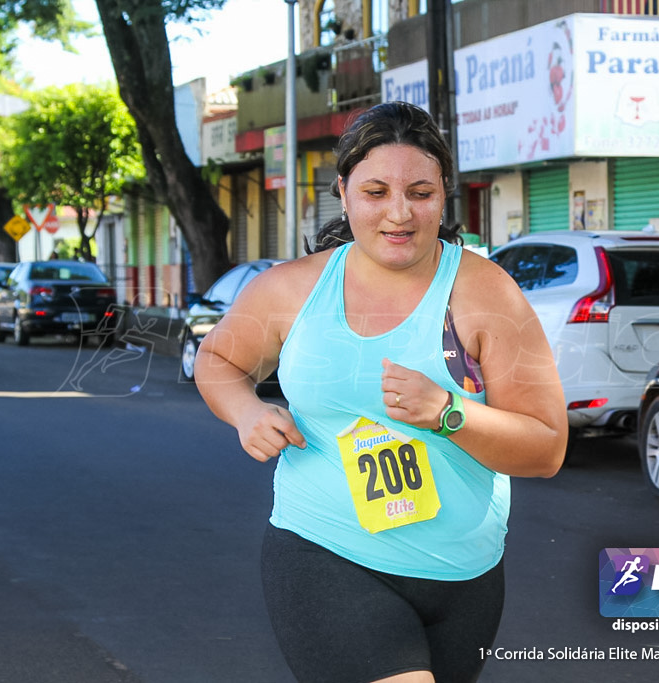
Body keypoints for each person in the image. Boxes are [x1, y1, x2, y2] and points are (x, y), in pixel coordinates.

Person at [194, 101, 567, 683]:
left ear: (444, 195)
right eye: (375, 192)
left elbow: (546, 448)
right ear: (343, 193)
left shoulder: (485, 292)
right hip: (325, 550)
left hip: (465, 574)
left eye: (420, 193)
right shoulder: (291, 289)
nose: (400, 214)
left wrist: (448, 413)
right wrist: (245, 411)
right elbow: (216, 358)